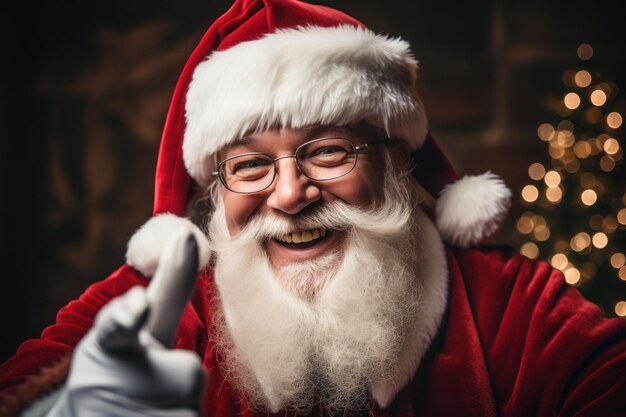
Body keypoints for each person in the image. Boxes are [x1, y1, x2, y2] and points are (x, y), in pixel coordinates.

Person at [1, 0, 625, 416]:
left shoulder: (512, 305)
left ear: (396, 162)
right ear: (214, 189)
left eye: (328, 153)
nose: (291, 194)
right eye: (249, 165)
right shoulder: (157, 306)